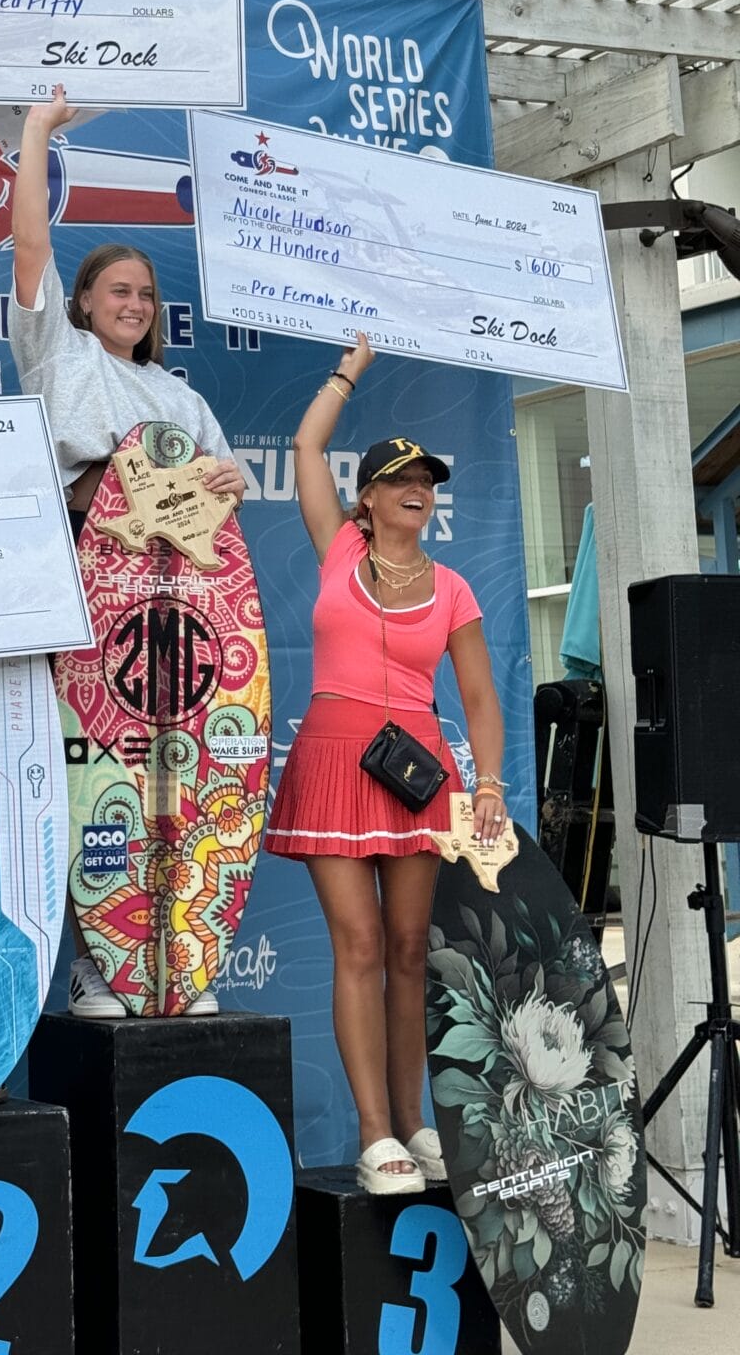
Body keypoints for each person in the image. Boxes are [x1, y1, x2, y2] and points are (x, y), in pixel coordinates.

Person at [10, 85, 247, 1018]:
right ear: (81, 303)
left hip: (180, 610)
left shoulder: (182, 400)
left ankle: (173, 964)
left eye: (147, 294)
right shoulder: (60, 358)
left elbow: (220, 510)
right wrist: (37, 131)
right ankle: (97, 964)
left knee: (177, 777)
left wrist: (225, 485)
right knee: (93, 774)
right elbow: (30, 242)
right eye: (119, 289)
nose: (136, 304)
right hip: (86, 585)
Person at [268, 335, 507, 1194]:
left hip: (421, 774)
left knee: (411, 948)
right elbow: (304, 447)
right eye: (401, 479)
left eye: (429, 481)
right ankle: (375, 1134)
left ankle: (416, 1121)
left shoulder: (454, 588)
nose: (419, 489)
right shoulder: (337, 547)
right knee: (361, 943)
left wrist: (486, 783)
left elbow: (480, 699)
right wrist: (348, 373)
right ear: (365, 498)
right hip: (335, 758)